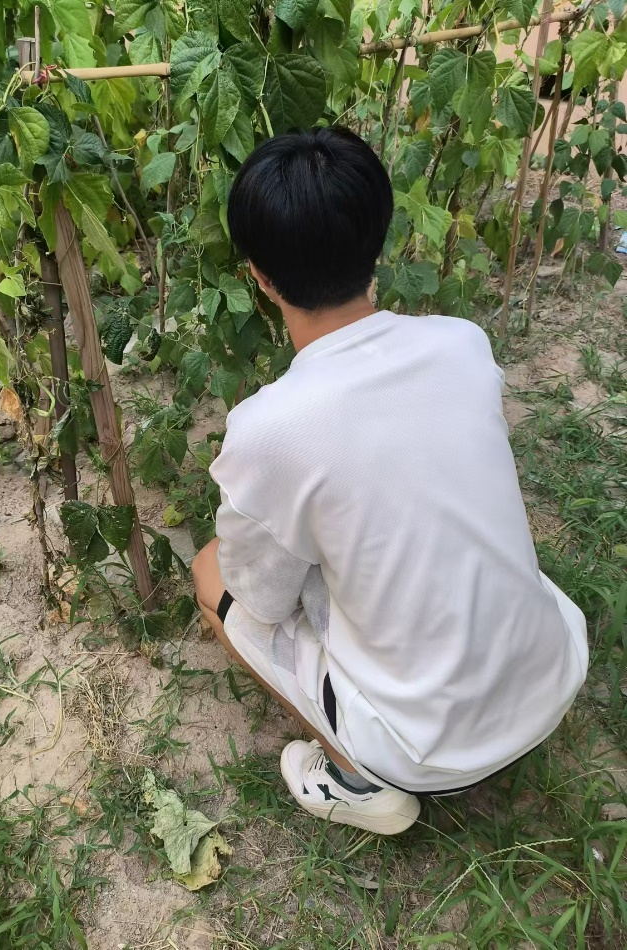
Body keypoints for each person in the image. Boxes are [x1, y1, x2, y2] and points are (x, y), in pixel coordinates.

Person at [191, 126, 588, 836]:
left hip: (426, 749)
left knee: (210, 572)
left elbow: (264, 599)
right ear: (379, 243)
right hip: (553, 675)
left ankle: (355, 776)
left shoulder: (267, 428)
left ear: (261, 277)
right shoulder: (463, 343)